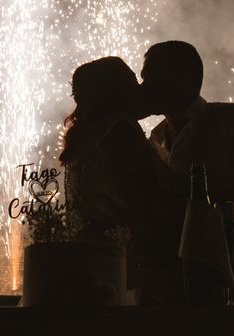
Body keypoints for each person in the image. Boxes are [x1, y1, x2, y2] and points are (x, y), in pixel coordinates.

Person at [141, 41, 234, 306]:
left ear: (184, 78)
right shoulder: (157, 136)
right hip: (181, 267)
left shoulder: (232, 120)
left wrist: (223, 232)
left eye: (153, 77)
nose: (145, 87)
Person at [60, 56, 185, 302]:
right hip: (127, 263)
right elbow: (149, 197)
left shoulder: (85, 137)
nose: (140, 88)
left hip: (91, 261)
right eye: (132, 82)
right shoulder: (119, 128)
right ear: (116, 92)